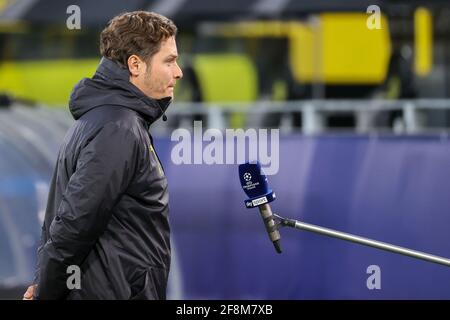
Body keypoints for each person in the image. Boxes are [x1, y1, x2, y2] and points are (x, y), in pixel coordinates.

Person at [22, 11, 183, 300]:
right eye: (169, 61)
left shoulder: (108, 120)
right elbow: (75, 223)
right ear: (135, 64)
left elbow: (64, 220)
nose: (178, 71)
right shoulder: (119, 128)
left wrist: (43, 283)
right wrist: (46, 292)